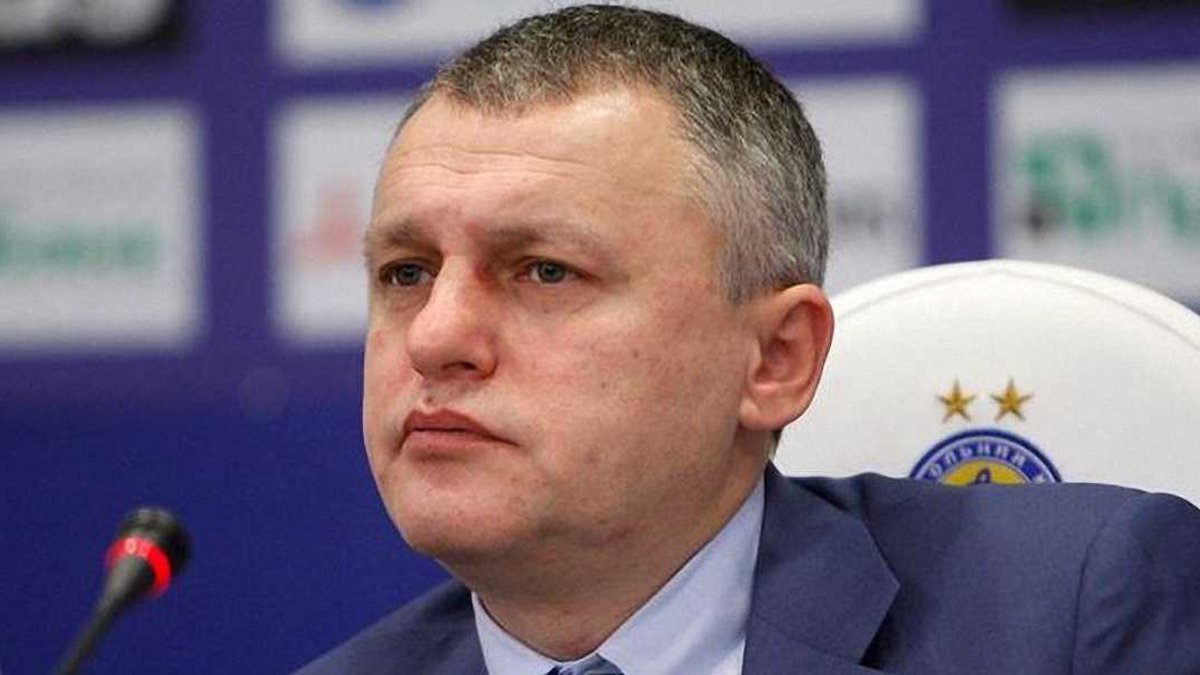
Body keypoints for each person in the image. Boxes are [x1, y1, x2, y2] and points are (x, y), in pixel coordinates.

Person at [296, 5, 1200, 674]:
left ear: (775, 359)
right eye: (406, 273)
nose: (436, 336)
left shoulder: (1069, 617)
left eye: (545, 270)